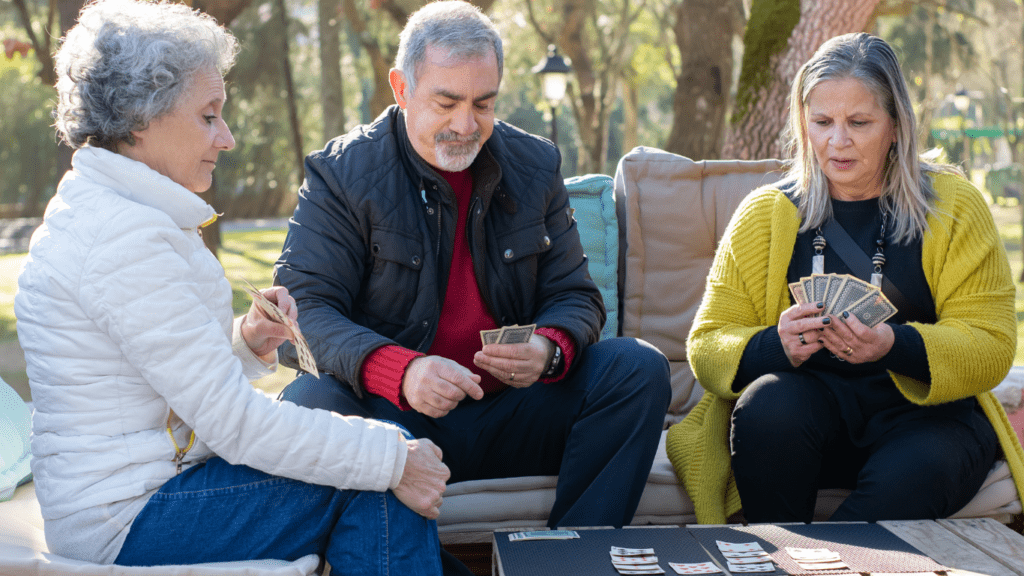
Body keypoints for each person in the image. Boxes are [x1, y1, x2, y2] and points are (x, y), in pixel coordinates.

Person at [15, 0, 448, 572]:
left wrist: (247, 342)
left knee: (374, 466)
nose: (228, 138)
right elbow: (235, 425)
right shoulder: (122, 238)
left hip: (144, 496)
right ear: (141, 119)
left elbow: (161, 382)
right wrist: (393, 458)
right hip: (129, 519)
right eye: (209, 115)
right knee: (375, 469)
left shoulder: (119, 213)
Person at [275, 0, 670, 543]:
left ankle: (574, 558)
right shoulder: (342, 174)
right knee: (309, 402)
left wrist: (550, 349)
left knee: (636, 368)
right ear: (400, 88)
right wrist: (399, 371)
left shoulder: (536, 165)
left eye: (483, 104)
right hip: (398, 422)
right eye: (446, 102)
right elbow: (301, 316)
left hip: (514, 409)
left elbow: (576, 296)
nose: (466, 125)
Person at [666, 32, 1024, 524]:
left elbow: (991, 343)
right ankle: (781, 553)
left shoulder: (954, 206)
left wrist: (893, 345)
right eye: (822, 122)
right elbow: (708, 344)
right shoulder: (766, 213)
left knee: (920, 468)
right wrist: (778, 345)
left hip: (926, 419)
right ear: (803, 124)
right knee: (768, 406)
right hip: (808, 413)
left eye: (859, 122)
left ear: (896, 125)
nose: (838, 141)